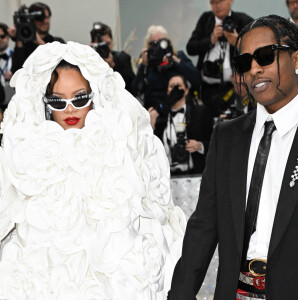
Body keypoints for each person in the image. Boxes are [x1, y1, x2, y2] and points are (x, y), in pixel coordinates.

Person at [0, 41, 186, 299]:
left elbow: (152, 220)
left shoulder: (121, 146)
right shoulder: (28, 156)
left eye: (80, 97)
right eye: (57, 101)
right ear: (45, 104)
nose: (70, 109)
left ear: (95, 95)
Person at [169, 14, 298, 299]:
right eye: (244, 63)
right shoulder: (227, 137)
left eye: (265, 57)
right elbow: (204, 225)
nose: (254, 70)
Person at [186, 0, 252, 116]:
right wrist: (211, 39)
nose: (218, 5)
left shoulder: (243, 20)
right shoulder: (206, 20)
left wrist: (238, 43)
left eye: (221, 1)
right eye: (213, 2)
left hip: (235, 88)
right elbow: (190, 48)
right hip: (207, 88)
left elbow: (257, 49)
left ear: (230, 1)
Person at [149, 75, 213, 175]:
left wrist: (199, 146)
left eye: (178, 86)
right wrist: (151, 126)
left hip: (195, 173)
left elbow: (214, 144)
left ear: (186, 90)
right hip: (167, 175)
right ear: (167, 91)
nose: (175, 90)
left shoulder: (200, 112)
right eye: (171, 86)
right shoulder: (160, 117)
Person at [132, 25, 201, 110]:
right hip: (155, 111)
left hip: (179, 108)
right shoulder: (147, 67)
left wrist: (175, 60)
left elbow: (197, 79)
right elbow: (135, 92)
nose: (158, 48)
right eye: (154, 44)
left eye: (162, 43)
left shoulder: (178, 57)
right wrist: (144, 66)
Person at [11, 2, 65, 73]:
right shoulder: (24, 46)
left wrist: (41, 43)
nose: (45, 21)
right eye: (41, 18)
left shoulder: (57, 42)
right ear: (31, 19)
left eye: (47, 17)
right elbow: (16, 72)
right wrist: (19, 36)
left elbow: (62, 66)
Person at [90, 22, 135, 93]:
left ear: (112, 42)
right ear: (93, 45)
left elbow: (131, 89)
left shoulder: (122, 58)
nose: (105, 48)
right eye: (101, 45)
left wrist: (113, 66)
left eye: (108, 43)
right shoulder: (88, 61)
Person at [0, 22, 14, 111]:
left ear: (8, 36)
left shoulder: (16, 55)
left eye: (2, 36)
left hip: (13, 104)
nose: (0, 39)